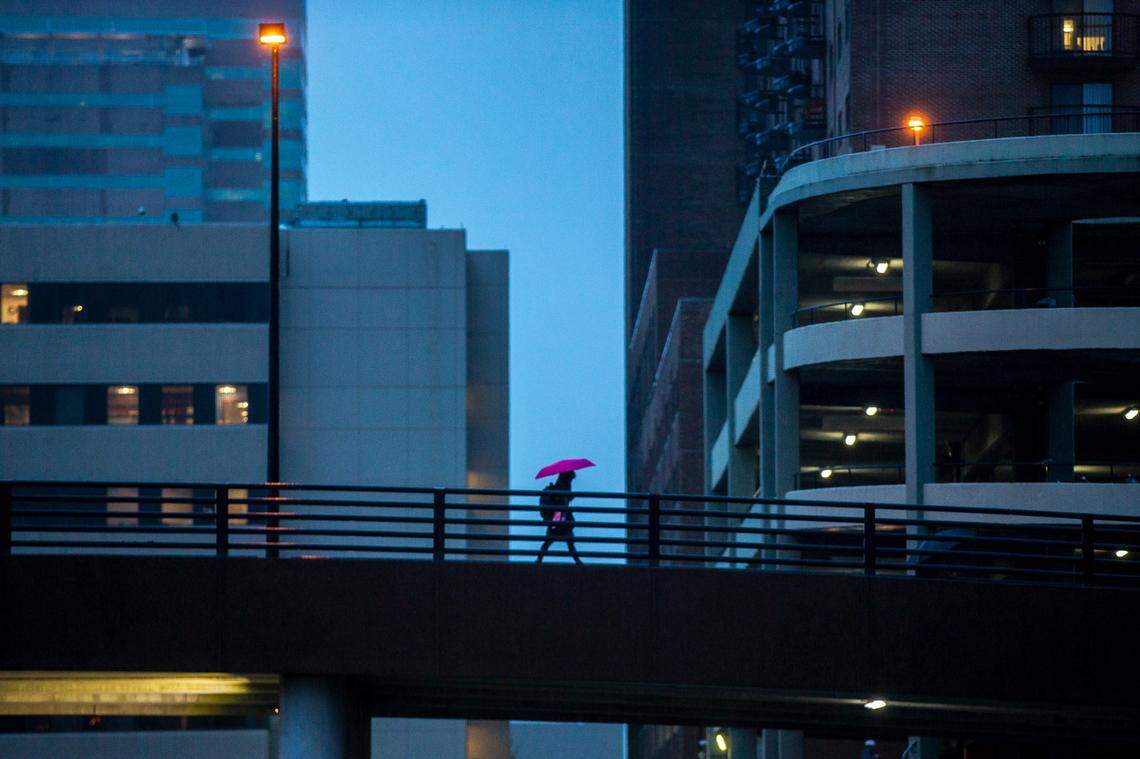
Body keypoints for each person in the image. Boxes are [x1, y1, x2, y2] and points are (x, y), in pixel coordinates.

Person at [536, 470, 583, 564]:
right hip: (560, 515)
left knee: (551, 538)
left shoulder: (563, 484)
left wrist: (569, 496)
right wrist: (569, 497)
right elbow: (561, 500)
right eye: (571, 477)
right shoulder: (563, 485)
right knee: (566, 538)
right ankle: (577, 560)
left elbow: (564, 499)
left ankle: (539, 559)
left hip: (559, 515)